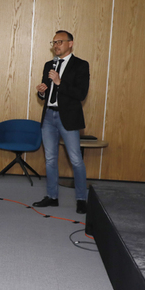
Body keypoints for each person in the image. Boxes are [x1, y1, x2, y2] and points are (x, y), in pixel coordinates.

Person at [32, 30, 90, 214]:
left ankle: (82, 199)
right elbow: (45, 95)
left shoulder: (81, 65)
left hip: (68, 117)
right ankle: (52, 197)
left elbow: (80, 94)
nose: (56, 45)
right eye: (54, 42)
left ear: (70, 43)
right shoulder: (49, 64)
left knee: (76, 160)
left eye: (60, 42)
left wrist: (59, 82)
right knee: (50, 159)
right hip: (48, 116)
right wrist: (41, 91)